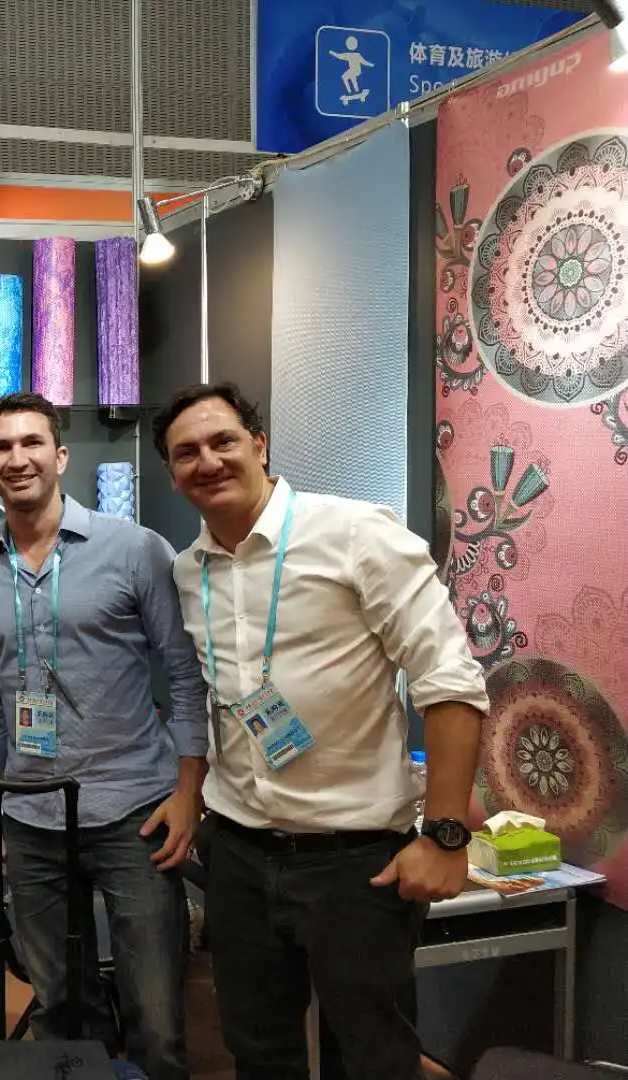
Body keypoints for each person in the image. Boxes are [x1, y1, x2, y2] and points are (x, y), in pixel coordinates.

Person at [151, 382, 488, 1080]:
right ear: (171, 473)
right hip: (238, 855)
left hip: (353, 863)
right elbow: (209, 702)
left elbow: (451, 681)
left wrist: (445, 835)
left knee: (373, 1058)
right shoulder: (187, 572)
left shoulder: (355, 534)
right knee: (258, 1051)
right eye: (186, 453)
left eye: (222, 441)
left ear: (259, 445)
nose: (207, 461)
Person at [0, 392, 208, 1080]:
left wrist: (188, 793)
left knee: (155, 1010)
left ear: (60, 455)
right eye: (2, 447)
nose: (18, 458)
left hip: (135, 811)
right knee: (59, 1005)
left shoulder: (134, 549)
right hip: (29, 815)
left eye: (32, 442)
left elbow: (186, 678)